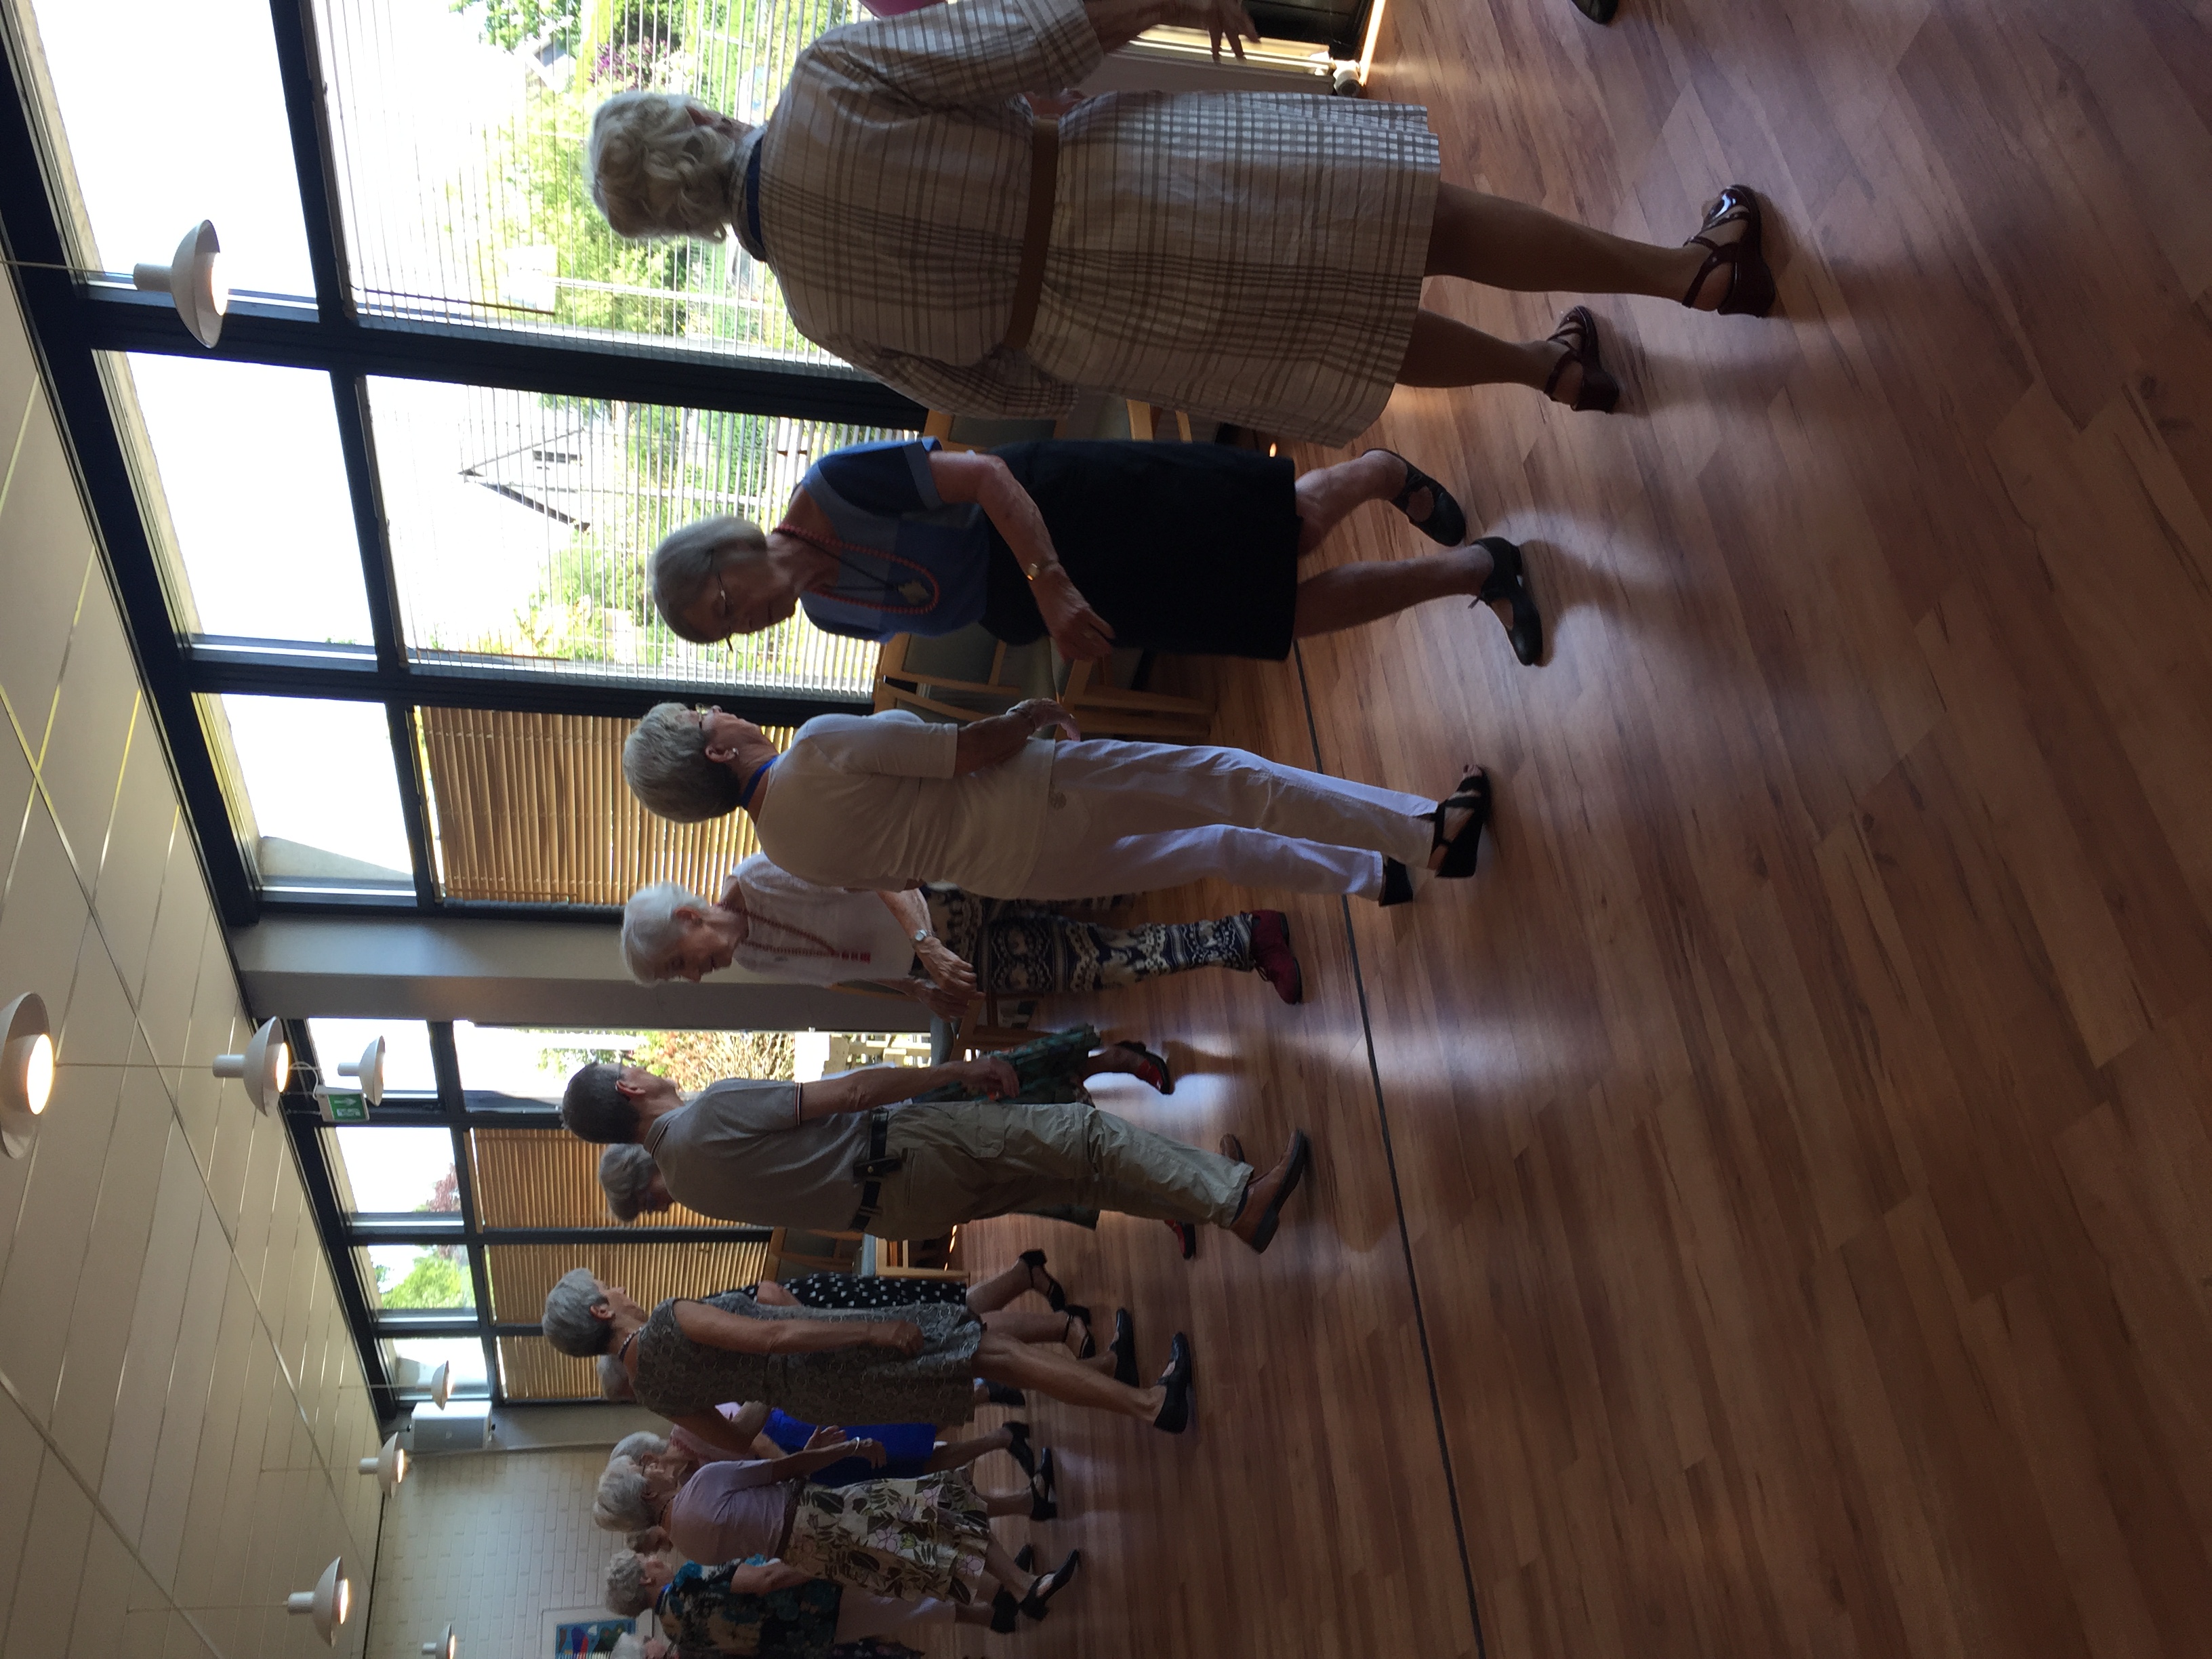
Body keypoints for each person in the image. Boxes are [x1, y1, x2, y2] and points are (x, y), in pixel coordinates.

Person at [581, 0, 1774, 445]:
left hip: (1100, 330)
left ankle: (1545, 374)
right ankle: (1689, 275)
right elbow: (1030, 38)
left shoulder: (812, 312)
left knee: (1348, 338)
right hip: (1122, 183)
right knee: (1417, 223)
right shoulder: (826, 79)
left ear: (682, 230)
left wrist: (1071, 338)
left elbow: (1003, 395)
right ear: (693, 115)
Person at [648, 441, 1543, 670]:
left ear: (725, 553)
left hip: (1063, 509)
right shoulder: (828, 614)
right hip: (1039, 602)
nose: (745, 622)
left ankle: (1381, 473)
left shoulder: (835, 487)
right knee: (1276, 619)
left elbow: (987, 477)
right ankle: (1481, 570)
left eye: (725, 605)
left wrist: (1048, 582)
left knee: (1289, 531)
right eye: (726, 633)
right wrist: (1044, 612)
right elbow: (954, 604)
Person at [622, 701, 1490, 909]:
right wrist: (1029, 714)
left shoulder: (783, 854)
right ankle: (1427, 834)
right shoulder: (813, 748)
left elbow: (902, 873)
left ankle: (1371, 877)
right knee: (1233, 779)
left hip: (1018, 874)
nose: (718, 709)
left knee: (1213, 847)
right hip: (1038, 799)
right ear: (717, 751)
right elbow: (966, 752)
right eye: (704, 716)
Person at [561, 1034, 1312, 1254]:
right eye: (631, 1067)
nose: (643, 1066)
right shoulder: (707, 1111)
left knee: (1079, 1180)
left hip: (897, 1214)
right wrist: (956, 1070)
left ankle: (1224, 1204)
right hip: (905, 1151)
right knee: (1078, 1133)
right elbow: (849, 1094)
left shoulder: (688, 1185)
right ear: (627, 1090)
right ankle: (1235, 1198)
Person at [539, 1271, 1197, 1437]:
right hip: (833, 1349)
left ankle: (1127, 1387)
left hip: (817, 1392)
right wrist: (872, 1331)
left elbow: (737, 1439)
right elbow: (774, 1335)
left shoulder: (651, 1393)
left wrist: (770, 1386)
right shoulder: (668, 1320)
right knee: (991, 1350)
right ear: (600, 1312)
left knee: (992, 1356)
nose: (616, 1287)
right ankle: (1149, 1404)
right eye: (605, 1288)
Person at [621, 855, 1304, 1008]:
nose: (694, 976)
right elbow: (843, 971)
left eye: (680, 964)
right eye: (680, 977)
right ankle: (1247, 936)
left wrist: (925, 943)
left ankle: (1239, 841)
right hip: (943, 961)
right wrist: (918, 988)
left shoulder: (762, 872)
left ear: (688, 918)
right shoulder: (753, 959)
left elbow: (877, 869)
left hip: (952, 895)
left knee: (1108, 875)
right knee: (1103, 964)